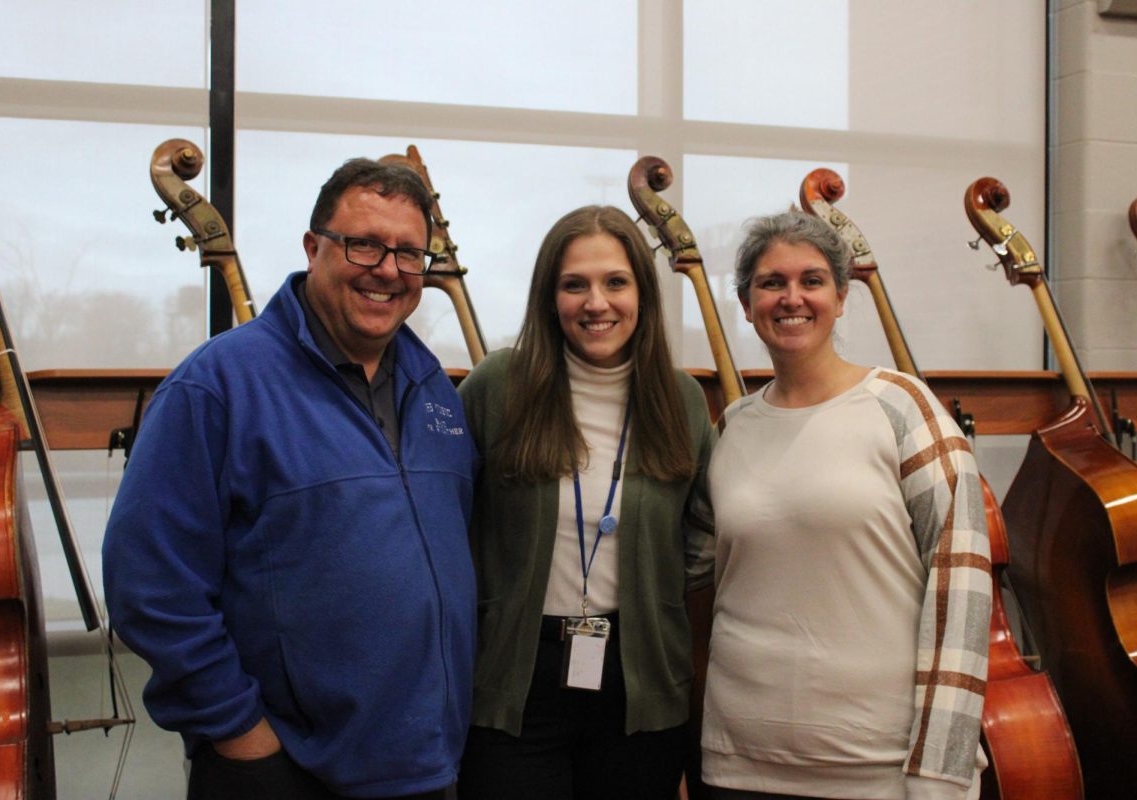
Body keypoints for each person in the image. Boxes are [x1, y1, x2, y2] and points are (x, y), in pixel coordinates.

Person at [102, 158, 477, 800]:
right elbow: (150, 582)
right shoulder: (217, 386)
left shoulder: (434, 386)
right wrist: (239, 731)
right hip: (284, 768)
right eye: (364, 244)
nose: (388, 270)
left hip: (422, 762)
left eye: (410, 253)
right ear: (313, 247)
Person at [701, 211, 991, 800]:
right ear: (745, 300)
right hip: (737, 761)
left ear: (841, 295)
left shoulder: (904, 406)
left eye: (811, 280)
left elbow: (961, 586)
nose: (792, 298)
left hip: (877, 766)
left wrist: (940, 765)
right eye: (771, 283)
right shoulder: (733, 425)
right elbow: (705, 579)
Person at [455, 205, 715, 800]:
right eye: (575, 285)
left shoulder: (681, 400)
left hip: (640, 677)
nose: (596, 303)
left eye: (615, 282)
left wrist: (656, 589)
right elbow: (447, 519)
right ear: (550, 298)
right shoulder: (498, 388)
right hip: (514, 679)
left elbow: (708, 530)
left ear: (642, 294)